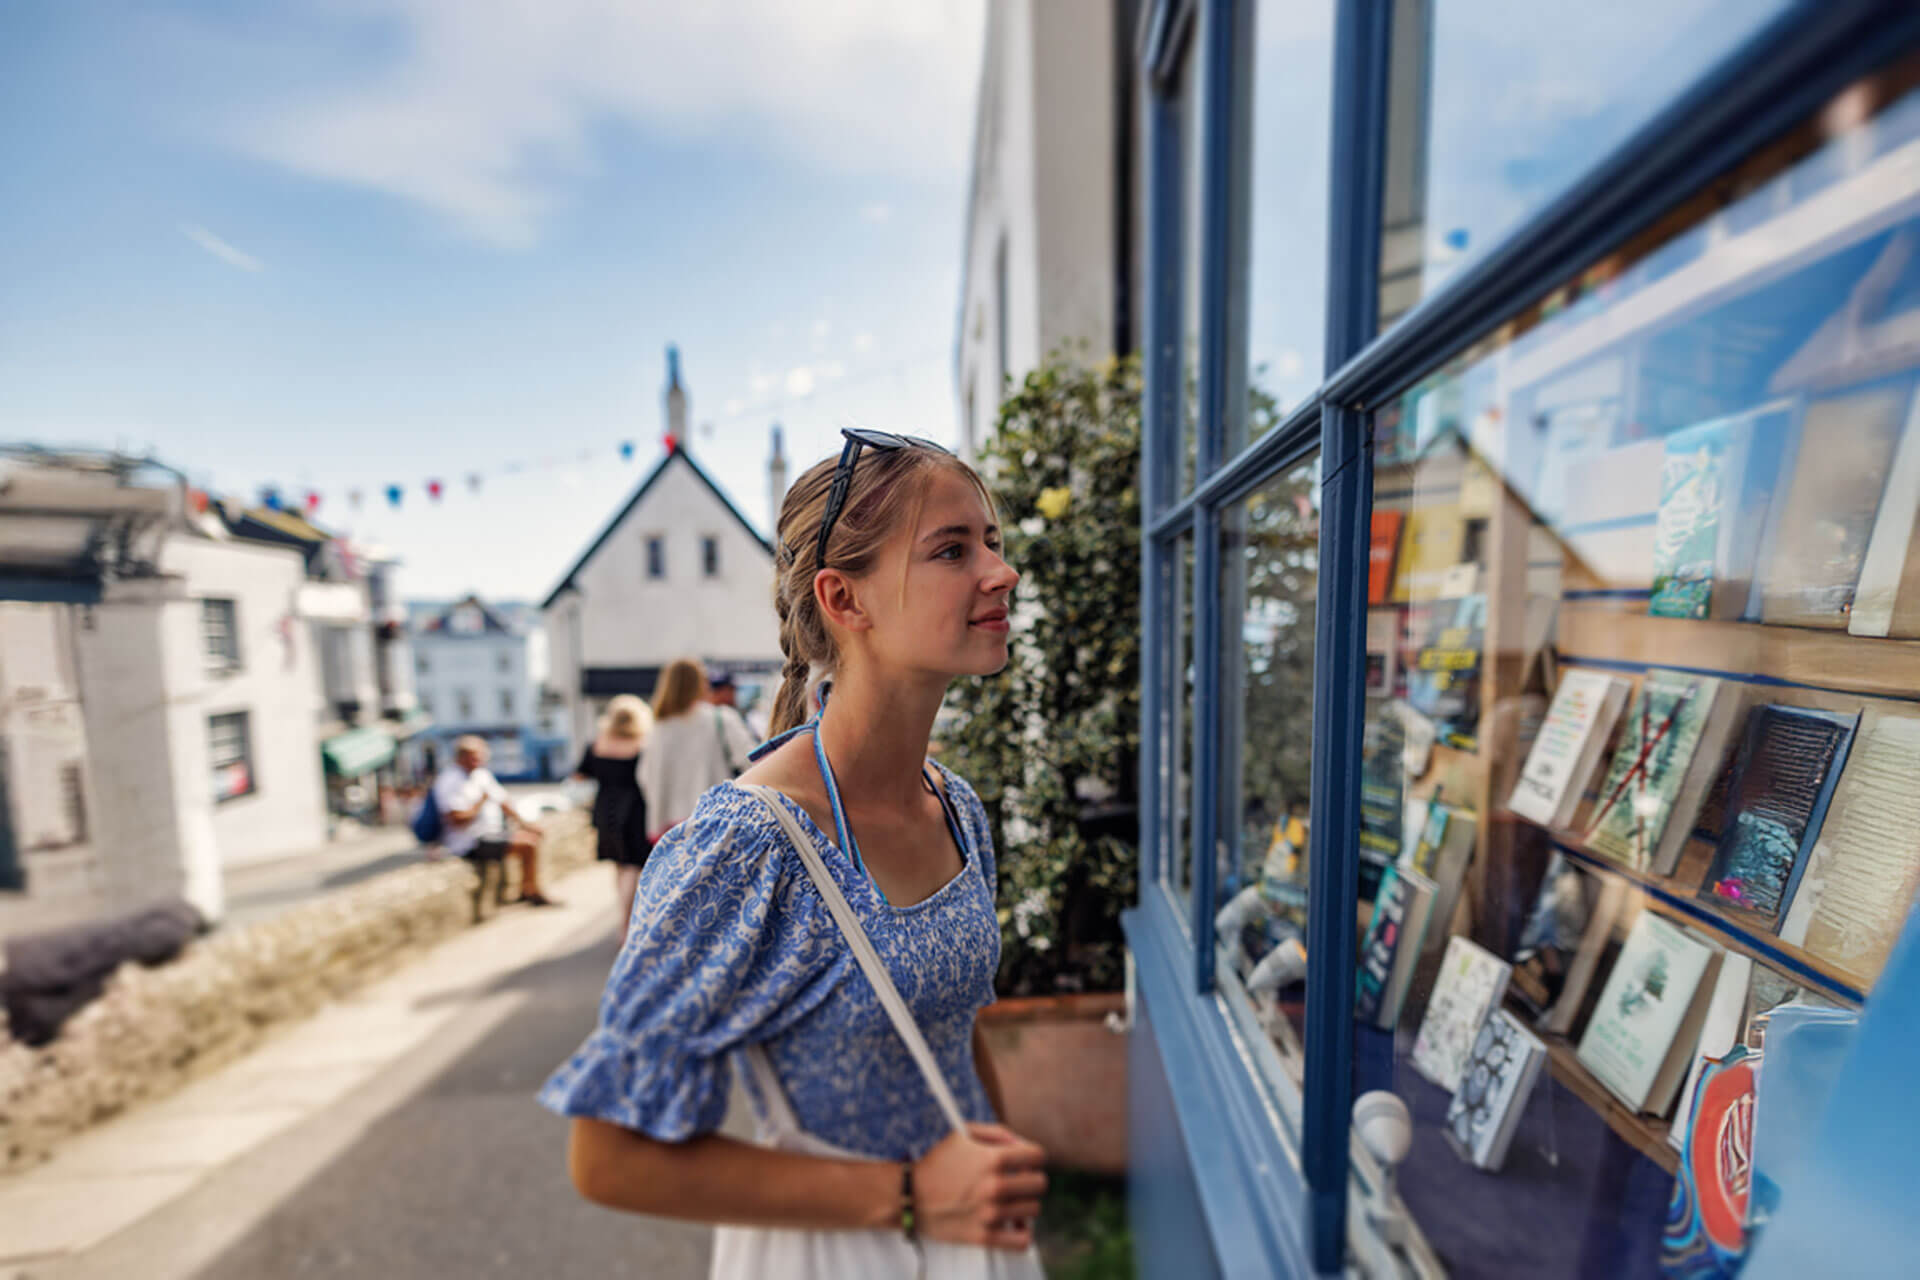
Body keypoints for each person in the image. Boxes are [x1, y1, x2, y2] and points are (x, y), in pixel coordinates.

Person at [540, 428, 1047, 1264]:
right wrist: (915, 1199)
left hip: (976, 1241)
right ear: (844, 600)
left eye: (991, 541)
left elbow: (951, 1025)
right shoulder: (749, 849)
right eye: (952, 550)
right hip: (845, 1252)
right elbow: (609, 1157)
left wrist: (993, 1174)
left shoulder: (951, 804)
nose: (1002, 572)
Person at [637, 657, 759, 841]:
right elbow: (751, 762)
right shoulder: (721, 718)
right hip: (715, 823)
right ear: (700, 683)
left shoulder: (658, 728)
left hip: (668, 830)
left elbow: (644, 777)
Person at [434, 735, 556, 907]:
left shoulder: (481, 775)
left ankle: (527, 888)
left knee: (530, 839)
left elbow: (504, 802)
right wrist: (480, 803)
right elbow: (456, 820)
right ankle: (530, 891)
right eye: (474, 757)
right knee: (527, 845)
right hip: (469, 841)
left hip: (490, 833)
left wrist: (527, 825)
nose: (478, 761)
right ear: (461, 757)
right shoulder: (450, 781)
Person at [571, 694, 654, 935]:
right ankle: (627, 924)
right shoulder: (642, 744)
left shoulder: (597, 744)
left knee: (620, 866)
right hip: (635, 810)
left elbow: (579, 776)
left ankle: (624, 918)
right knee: (634, 868)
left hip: (605, 809)